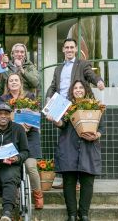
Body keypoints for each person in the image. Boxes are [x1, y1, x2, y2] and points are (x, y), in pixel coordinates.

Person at [46, 38, 105, 190]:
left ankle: (79, 179)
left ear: (76, 49)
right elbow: (53, 86)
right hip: (62, 107)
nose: (69, 50)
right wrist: (48, 99)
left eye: (72, 47)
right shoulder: (58, 69)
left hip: (79, 106)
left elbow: (91, 75)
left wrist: (98, 81)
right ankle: (68, 179)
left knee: (81, 140)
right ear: (63, 50)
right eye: (67, 47)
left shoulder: (82, 64)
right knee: (65, 142)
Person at [47, 80, 104, 221]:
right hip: (69, 147)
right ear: (72, 91)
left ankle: (83, 214)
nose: (78, 90)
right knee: (69, 183)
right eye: (75, 88)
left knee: (87, 182)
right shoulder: (66, 107)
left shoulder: (95, 106)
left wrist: (96, 135)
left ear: (85, 90)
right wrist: (55, 119)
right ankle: (72, 214)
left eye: (81, 87)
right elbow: (61, 124)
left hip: (89, 148)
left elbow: (101, 127)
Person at [0, 73, 44, 209]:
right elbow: (1, 117)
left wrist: (28, 124)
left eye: (16, 80)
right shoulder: (3, 99)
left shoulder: (30, 96)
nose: (13, 82)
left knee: (30, 166)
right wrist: (15, 123)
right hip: (12, 137)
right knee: (12, 167)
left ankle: (38, 195)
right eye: (11, 80)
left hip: (30, 137)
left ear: (20, 83)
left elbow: (36, 114)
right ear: (7, 85)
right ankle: (15, 195)